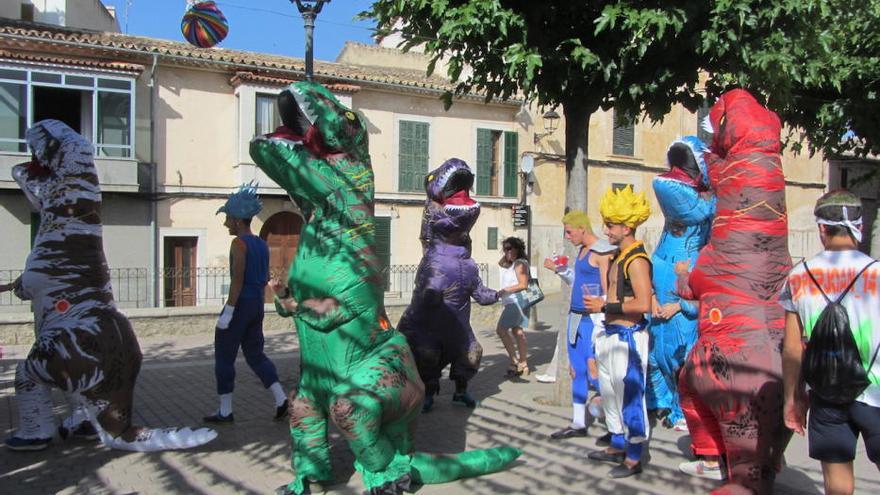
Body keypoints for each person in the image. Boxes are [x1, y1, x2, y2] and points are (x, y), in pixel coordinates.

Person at [677, 89, 792, 492]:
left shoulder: (721, 251)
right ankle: (764, 463)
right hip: (780, 362)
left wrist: (685, 279)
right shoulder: (778, 249)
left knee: (691, 382)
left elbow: (695, 285)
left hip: (732, 361)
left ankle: (721, 462)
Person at [781, 190, 880, 495]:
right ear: (859, 227)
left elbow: (793, 348)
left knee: (837, 482)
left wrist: (792, 399)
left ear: (821, 228)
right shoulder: (877, 272)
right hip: (876, 393)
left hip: (826, 394)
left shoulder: (798, 277)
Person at [583, 185, 653, 478]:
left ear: (626, 227)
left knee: (630, 396)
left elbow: (644, 303)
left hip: (628, 339)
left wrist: (605, 306)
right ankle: (616, 443)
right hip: (610, 335)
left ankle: (634, 458)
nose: (606, 230)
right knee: (610, 393)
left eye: (611, 225)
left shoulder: (636, 260)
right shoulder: (616, 256)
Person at [204, 182, 288, 423]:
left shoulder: (238, 244)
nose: (226, 223)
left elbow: (237, 278)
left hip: (240, 305)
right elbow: (263, 278)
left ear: (239, 220)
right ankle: (281, 398)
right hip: (257, 306)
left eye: (228, 218)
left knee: (224, 356)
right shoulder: (262, 244)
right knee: (255, 355)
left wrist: (228, 311)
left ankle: (225, 410)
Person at [647, 136, 715, 431]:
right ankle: (665, 403)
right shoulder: (684, 192)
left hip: (678, 276)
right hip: (670, 270)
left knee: (678, 351)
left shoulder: (703, 202)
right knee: (661, 349)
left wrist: (681, 305)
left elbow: (703, 301)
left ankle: (680, 408)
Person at [544, 210, 615, 440]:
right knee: (577, 371)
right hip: (575, 318)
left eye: (569, 231)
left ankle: (614, 425)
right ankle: (578, 422)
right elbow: (578, 281)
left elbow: (608, 290)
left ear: (582, 229)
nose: (567, 236)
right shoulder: (583, 251)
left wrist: (602, 308)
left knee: (598, 372)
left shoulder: (602, 251)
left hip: (592, 320)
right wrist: (560, 270)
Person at [497, 237, 531, 377]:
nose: (508, 251)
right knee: (518, 332)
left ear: (518, 248)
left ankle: (514, 361)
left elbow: (523, 284)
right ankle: (524, 364)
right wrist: (507, 254)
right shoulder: (515, 263)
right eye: (506, 248)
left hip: (515, 302)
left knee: (501, 330)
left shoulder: (519, 264)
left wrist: (505, 290)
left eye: (511, 248)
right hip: (518, 302)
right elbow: (501, 263)